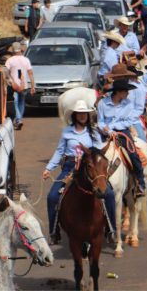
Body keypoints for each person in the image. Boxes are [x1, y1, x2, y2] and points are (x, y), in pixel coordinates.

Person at [43, 100, 109, 243]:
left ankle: (110, 229)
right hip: (69, 166)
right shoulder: (67, 132)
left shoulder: (94, 132)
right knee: (52, 197)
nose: (82, 116)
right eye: (79, 113)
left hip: (90, 168)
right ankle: (54, 232)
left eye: (84, 113)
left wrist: (111, 137)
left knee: (109, 194)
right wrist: (48, 168)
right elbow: (59, 151)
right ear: (74, 115)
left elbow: (100, 152)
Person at [97, 80, 147, 196]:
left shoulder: (128, 103)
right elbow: (100, 121)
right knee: (91, 153)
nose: (128, 94)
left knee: (133, 154)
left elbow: (129, 121)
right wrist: (109, 131)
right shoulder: (102, 103)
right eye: (126, 91)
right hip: (104, 132)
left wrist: (114, 128)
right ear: (118, 92)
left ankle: (140, 184)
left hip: (122, 131)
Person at [5, 42, 34, 130]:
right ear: (20, 49)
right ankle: (19, 119)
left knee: (15, 103)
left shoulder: (10, 60)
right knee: (21, 103)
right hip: (24, 85)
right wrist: (33, 86)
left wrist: (10, 80)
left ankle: (18, 119)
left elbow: (5, 72)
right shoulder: (26, 60)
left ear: (13, 50)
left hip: (14, 86)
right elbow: (30, 73)